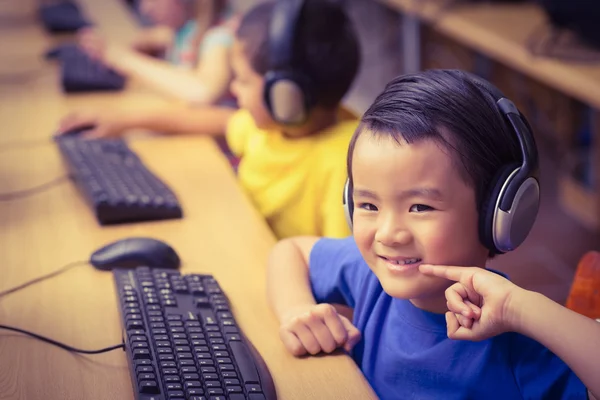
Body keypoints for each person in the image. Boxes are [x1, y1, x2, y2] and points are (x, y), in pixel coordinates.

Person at [266, 69, 599, 399]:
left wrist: (519, 307)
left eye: (420, 208)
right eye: (368, 204)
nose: (389, 234)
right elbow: (291, 251)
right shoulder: (369, 278)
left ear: (498, 214)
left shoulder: (516, 340)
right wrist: (295, 309)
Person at [58, 0, 238, 139]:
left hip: (215, 155)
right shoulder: (189, 28)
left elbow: (202, 92)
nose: (145, 8)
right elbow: (163, 37)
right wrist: (138, 43)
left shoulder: (221, 37)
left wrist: (122, 58)